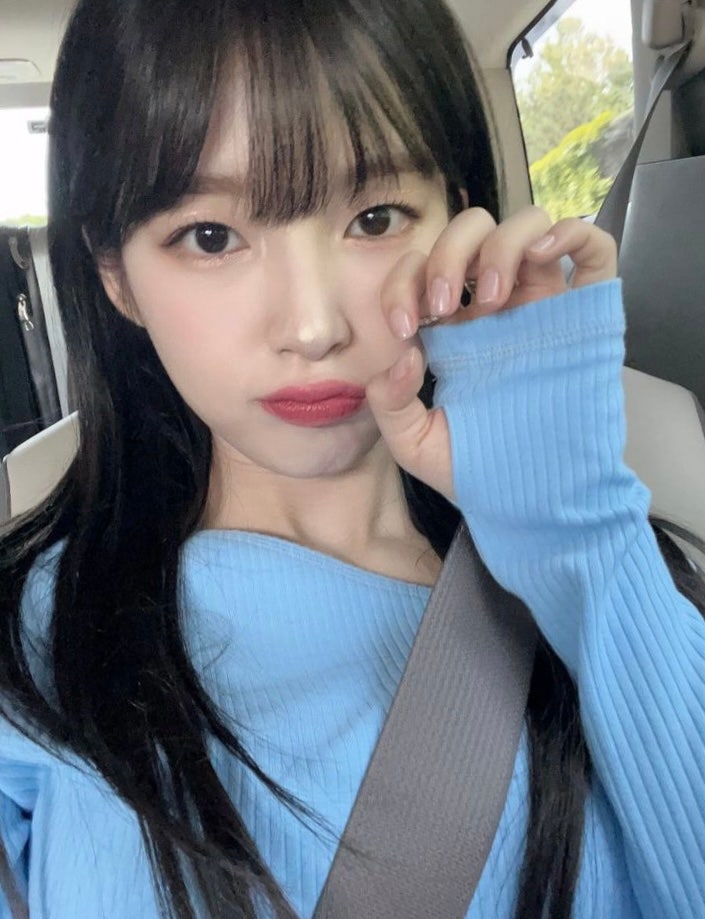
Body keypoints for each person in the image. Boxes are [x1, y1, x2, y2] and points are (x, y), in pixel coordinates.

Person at [1, 0, 704, 917]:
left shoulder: (607, 560)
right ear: (115, 277)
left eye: (375, 217)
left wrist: (573, 524)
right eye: (210, 236)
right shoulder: (31, 650)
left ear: (455, 219)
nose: (312, 327)